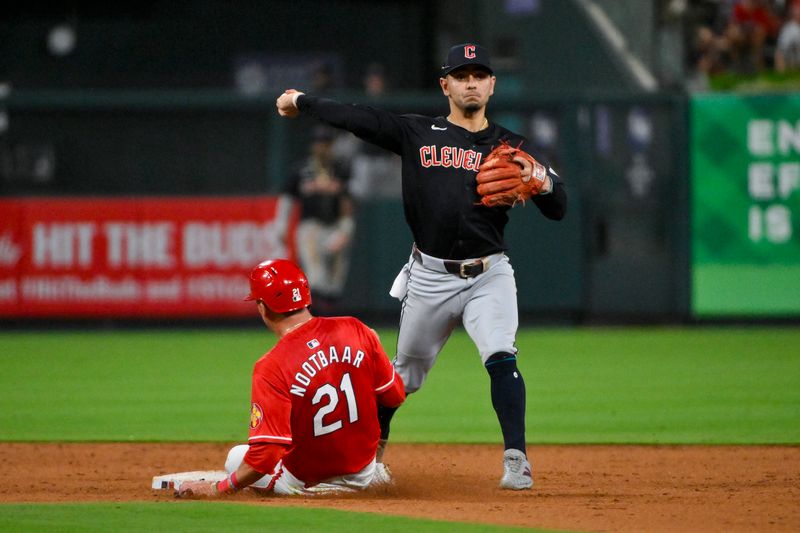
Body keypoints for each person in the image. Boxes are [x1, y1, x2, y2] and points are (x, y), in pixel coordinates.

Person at [275, 42, 567, 490]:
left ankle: (516, 460)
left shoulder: (513, 146)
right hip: (429, 275)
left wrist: (542, 180)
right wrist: (304, 102)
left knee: (500, 353)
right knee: (399, 380)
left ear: (492, 84)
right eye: (462, 75)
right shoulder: (418, 133)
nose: (471, 82)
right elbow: (361, 118)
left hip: (489, 272)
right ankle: (365, 462)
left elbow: (559, 208)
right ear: (445, 85)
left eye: (479, 75)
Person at [177, 258, 405, 497]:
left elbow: (265, 455)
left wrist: (217, 489)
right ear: (306, 297)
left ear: (263, 307)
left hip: (308, 485)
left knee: (236, 458)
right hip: (365, 473)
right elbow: (395, 395)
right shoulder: (357, 329)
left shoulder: (272, 366)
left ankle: (322, 488)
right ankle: (373, 474)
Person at [277, 125, 355, 314]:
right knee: (315, 276)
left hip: (335, 224)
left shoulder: (341, 168)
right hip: (311, 226)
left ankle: (330, 321)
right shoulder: (302, 170)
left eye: (326, 143)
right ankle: (316, 323)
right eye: (319, 143)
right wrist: (281, 226)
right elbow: (287, 199)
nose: (322, 147)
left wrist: (346, 230)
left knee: (335, 280)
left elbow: (348, 203)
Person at [775, 0, 800, 72]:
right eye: (797, 9)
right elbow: (779, 54)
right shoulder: (788, 29)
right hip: (793, 66)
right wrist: (782, 72)